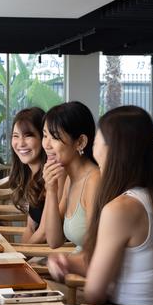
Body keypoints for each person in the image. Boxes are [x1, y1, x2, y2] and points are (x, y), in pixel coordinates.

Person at [48, 106, 153, 305]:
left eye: (98, 140)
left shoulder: (120, 209)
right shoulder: (148, 197)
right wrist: (69, 263)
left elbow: (95, 294)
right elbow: (115, 266)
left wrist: (71, 270)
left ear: (115, 149)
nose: (94, 146)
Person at [42, 101, 100, 251]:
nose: (46, 145)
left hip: (84, 271)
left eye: (54, 137)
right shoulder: (70, 179)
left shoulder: (94, 181)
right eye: (44, 135)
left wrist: (64, 266)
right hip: (75, 267)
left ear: (80, 142)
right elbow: (54, 240)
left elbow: (97, 251)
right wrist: (51, 190)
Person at [9, 107, 64, 243]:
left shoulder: (56, 173)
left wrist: (19, 256)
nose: (20, 143)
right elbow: (30, 228)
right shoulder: (30, 174)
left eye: (28, 135)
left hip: (52, 256)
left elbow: (44, 232)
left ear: (44, 138)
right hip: (36, 254)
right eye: (16, 136)